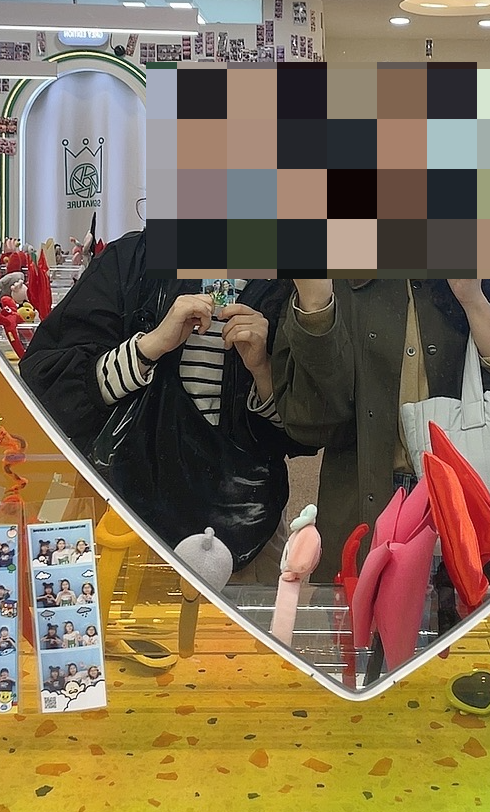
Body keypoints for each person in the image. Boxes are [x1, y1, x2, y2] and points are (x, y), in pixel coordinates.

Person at [19, 233, 299, 577]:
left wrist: (263, 373)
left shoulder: (287, 282)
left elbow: (306, 428)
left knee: (244, 613)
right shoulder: (132, 261)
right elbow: (50, 387)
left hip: (249, 526)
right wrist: (148, 348)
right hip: (126, 516)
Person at [273, 278, 490, 578]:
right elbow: (309, 425)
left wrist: (474, 302)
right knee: (367, 606)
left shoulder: (486, 252)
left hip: (483, 506)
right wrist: (317, 310)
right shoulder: (337, 264)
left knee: (479, 605)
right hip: (365, 505)